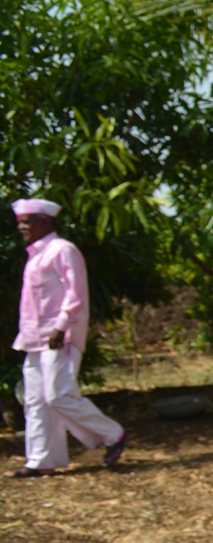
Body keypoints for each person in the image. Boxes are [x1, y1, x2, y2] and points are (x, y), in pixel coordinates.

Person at [10, 198, 126, 477]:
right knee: (36, 401)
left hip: (58, 336)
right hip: (34, 338)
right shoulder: (35, 255)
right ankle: (41, 460)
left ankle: (113, 434)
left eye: (26, 221)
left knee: (58, 395)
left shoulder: (63, 250)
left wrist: (61, 326)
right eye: (20, 222)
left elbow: (76, 293)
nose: (22, 227)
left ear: (45, 221)